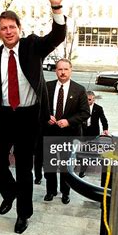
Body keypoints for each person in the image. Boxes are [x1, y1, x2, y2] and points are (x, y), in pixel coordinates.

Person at [0, 0, 67, 234]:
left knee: (25, 168)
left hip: (29, 117)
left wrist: (56, 7)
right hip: (3, 116)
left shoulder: (32, 46)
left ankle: (22, 214)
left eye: (12, 27)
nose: (8, 31)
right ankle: (11, 192)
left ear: (19, 27)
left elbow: (57, 35)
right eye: (3, 28)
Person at [43, 58, 90, 204]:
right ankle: (50, 191)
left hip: (69, 134)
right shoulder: (47, 86)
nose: (62, 72)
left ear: (71, 70)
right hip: (50, 132)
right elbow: (40, 107)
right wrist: (46, 117)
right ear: (55, 70)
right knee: (49, 165)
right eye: (59, 69)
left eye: (65, 69)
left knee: (65, 166)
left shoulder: (79, 89)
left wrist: (68, 121)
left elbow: (85, 113)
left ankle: (65, 192)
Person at [80, 91, 109, 178]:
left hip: (93, 132)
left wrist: (105, 129)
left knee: (88, 152)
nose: (87, 101)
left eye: (89, 100)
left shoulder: (98, 108)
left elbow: (103, 119)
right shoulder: (80, 107)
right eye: (86, 99)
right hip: (82, 131)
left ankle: (82, 171)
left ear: (93, 99)